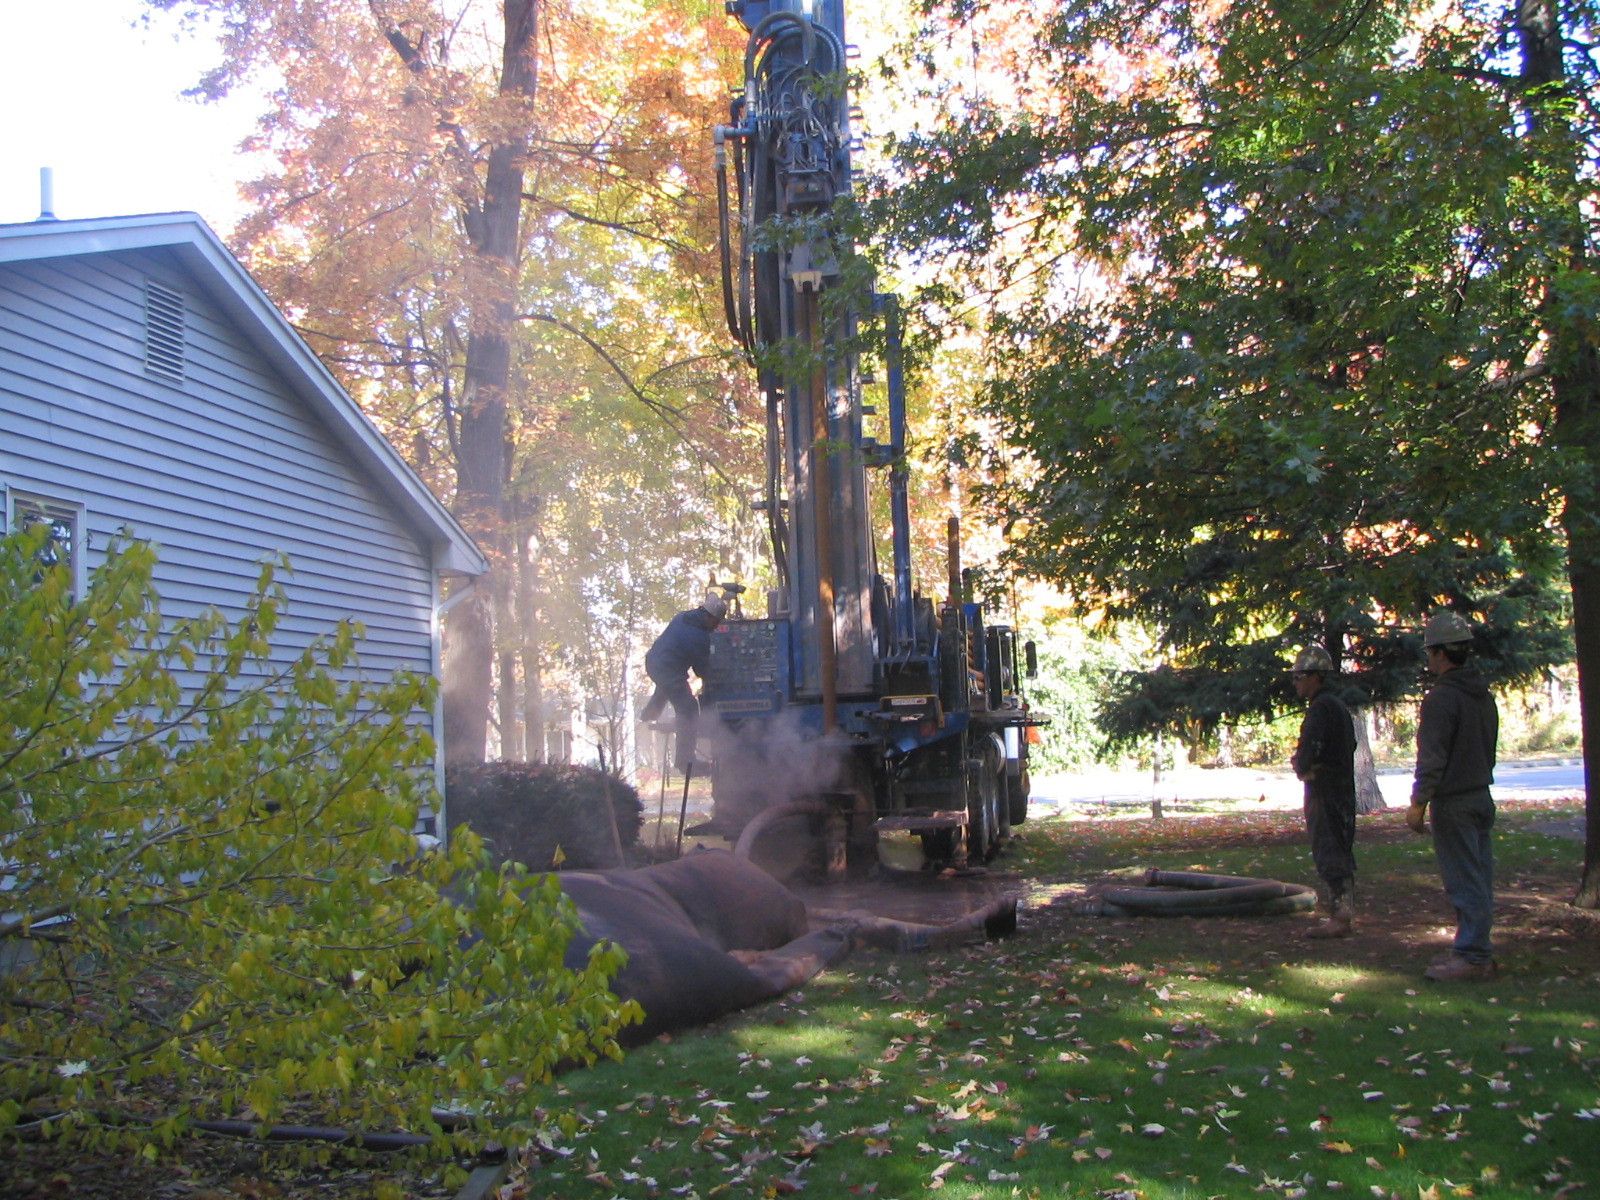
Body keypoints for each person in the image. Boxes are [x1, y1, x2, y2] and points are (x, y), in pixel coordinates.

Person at [1407, 611, 1500, 982]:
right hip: (1480, 796)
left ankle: (1473, 956)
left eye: (1429, 652)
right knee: (1479, 878)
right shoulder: (1483, 696)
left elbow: (1433, 755)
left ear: (1441, 654)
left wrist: (1419, 801)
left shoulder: (1442, 699)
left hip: (1455, 802)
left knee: (1464, 881)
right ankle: (1474, 949)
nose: (1428, 660)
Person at [1290, 645, 1358, 938]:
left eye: (1300, 676)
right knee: (1340, 845)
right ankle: (1342, 910)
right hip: (1342, 789)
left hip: (1325, 791)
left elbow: (1309, 751)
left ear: (1316, 676)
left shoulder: (1321, 709)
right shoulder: (1339, 707)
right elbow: (1350, 745)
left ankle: (1340, 915)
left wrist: (1302, 766)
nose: (1296, 682)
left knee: (1329, 849)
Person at [641, 590, 727, 773]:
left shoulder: (683, 617)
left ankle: (650, 712)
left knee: (666, 687)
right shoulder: (699, 636)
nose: (716, 626)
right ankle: (685, 762)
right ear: (711, 617)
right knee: (688, 707)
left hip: (653, 662)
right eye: (717, 622)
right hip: (667, 669)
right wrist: (719, 679)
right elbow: (701, 670)